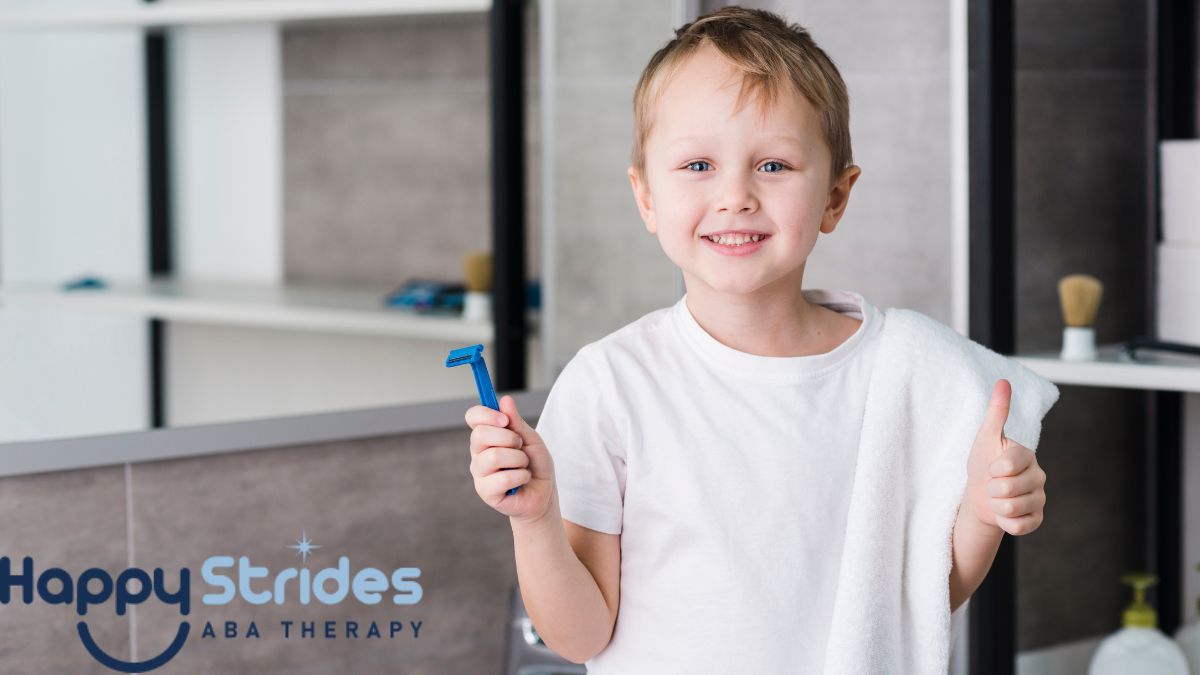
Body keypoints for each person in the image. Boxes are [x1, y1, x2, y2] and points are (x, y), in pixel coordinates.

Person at [463, 6, 1049, 671]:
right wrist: (536, 520)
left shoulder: (903, 372)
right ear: (647, 196)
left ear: (835, 195)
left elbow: (919, 601)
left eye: (772, 165)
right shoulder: (612, 386)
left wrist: (981, 509)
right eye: (698, 164)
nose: (736, 194)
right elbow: (580, 635)